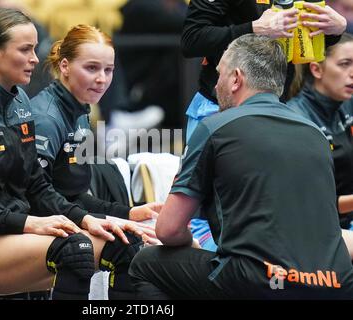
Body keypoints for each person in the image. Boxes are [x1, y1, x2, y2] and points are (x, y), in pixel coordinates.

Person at [0, 9, 144, 300]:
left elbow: (37, 185)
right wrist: (29, 223)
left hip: (6, 235)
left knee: (121, 243)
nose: (36, 59)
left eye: (34, 49)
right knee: (75, 251)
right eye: (25, 49)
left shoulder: (20, 102)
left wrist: (86, 219)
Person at [129, 34, 353, 299]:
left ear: (236, 78)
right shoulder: (315, 133)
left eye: (219, 74)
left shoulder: (214, 127)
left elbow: (167, 229)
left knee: (145, 263)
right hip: (335, 283)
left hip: (262, 282)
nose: (215, 86)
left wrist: (188, 243)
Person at [181, 0, 347, 252]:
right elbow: (191, 39)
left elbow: (305, 41)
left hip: (274, 107)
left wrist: (336, 30)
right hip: (219, 107)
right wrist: (254, 28)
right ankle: (213, 272)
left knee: (266, 202)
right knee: (204, 208)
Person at [31, 25, 162, 224]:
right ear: (65, 66)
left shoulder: (80, 111)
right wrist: (90, 220)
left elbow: (74, 196)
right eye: (91, 68)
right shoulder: (46, 120)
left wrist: (128, 213)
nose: (102, 79)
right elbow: (37, 200)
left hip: (63, 219)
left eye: (108, 70)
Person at [288, 33, 353, 230]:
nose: (352, 72)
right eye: (344, 64)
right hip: (313, 228)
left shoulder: (347, 103)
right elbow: (301, 204)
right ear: (316, 69)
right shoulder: (296, 119)